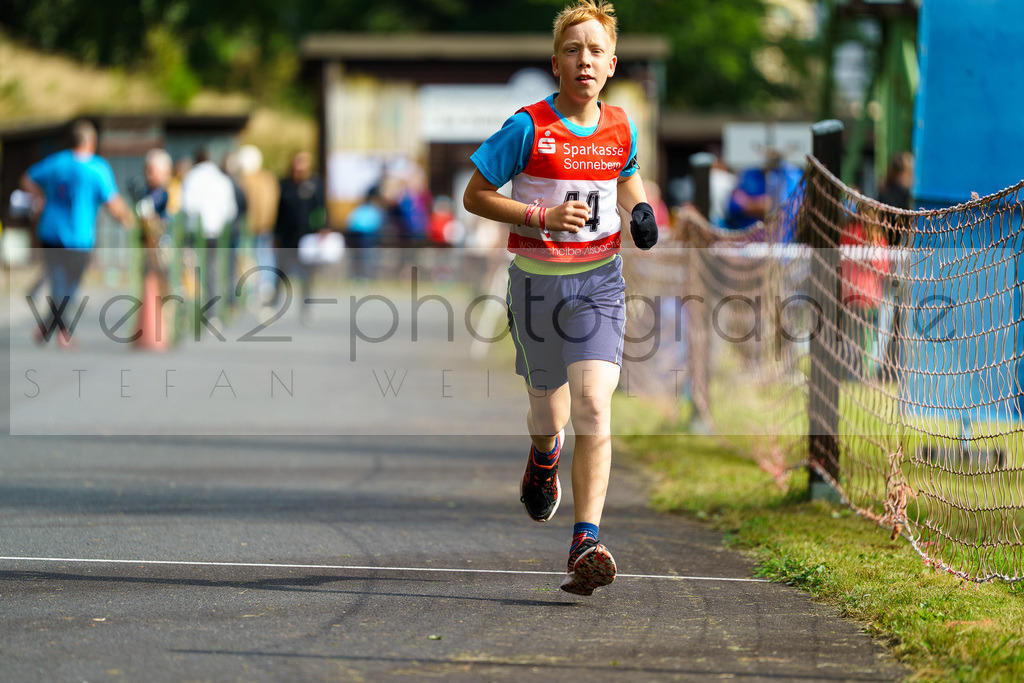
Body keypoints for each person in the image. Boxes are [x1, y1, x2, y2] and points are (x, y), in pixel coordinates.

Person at [463, 0, 657, 596]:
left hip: (600, 282)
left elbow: (625, 173)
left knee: (595, 405)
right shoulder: (527, 126)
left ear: (612, 64)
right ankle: (542, 456)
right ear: (556, 63)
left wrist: (641, 209)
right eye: (573, 50)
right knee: (551, 416)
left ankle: (585, 541)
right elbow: (476, 194)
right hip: (535, 284)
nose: (584, 60)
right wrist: (540, 215)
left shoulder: (620, 124)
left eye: (595, 51)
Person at [20, 119, 132, 348]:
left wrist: (40, 197)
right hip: (79, 237)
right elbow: (113, 203)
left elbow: (27, 179)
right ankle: (64, 332)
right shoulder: (97, 168)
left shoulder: (57, 162)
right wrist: (127, 219)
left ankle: (47, 326)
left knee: (59, 284)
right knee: (68, 287)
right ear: (92, 141)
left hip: (50, 231)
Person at [181, 147, 237, 325]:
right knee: (212, 271)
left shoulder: (191, 177)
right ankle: (212, 313)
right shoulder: (222, 179)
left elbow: (187, 206)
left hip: (194, 233)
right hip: (216, 233)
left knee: (192, 271)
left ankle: (190, 311)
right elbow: (231, 211)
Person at [272, 151, 326, 322]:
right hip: (287, 237)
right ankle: (274, 305)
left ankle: (307, 308)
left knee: (307, 276)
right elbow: (279, 212)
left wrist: (323, 228)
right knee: (281, 272)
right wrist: (276, 235)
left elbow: (322, 209)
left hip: (307, 238)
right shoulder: (285, 186)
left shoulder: (314, 185)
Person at [236, 144, 280, 304]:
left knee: (251, 256)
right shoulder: (268, 179)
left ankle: (256, 288)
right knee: (264, 254)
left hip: (251, 227)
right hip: (265, 225)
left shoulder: (246, 180)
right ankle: (265, 286)